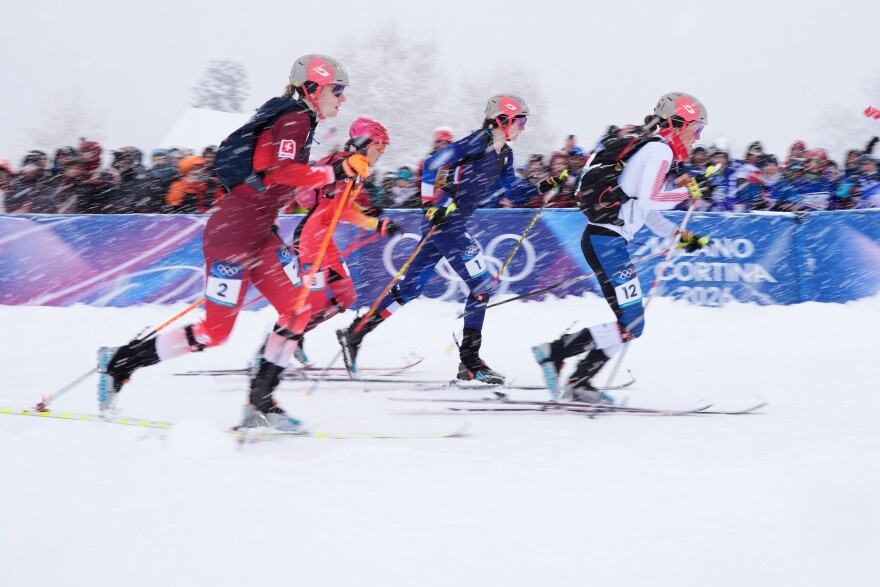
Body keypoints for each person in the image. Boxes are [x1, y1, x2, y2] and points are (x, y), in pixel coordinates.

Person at [96, 54, 351, 433]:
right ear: (313, 87)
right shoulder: (296, 117)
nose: (342, 98)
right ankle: (120, 361)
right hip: (232, 237)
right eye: (338, 89)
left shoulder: (300, 120)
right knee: (215, 332)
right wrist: (333, 171)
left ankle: (261, 403)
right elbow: (282, 171)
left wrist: (335, 172)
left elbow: (285, 177)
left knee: (299, 310)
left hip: (260, 234)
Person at [335, 94, 567, 384]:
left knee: (410, 289)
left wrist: (545, 184)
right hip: (446, 221)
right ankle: (470, 362)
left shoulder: (505, 154)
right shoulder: (476, 142)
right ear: (503, 120)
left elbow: (514, 192)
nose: (523, 127)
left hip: (452, 223)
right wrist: (431, 205)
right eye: (520, 120)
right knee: (481, 286)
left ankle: (355, 333)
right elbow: (433, 163)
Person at [531, 92, 712, 403]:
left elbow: (648, 213)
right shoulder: (659, 152)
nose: (697, 138)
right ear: (678, 124)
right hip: (607, 241)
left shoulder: (653, 150)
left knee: (630, 323)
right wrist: (688, 193)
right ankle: (560, 359)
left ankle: (576, 375)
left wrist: (681, 236)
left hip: (605, 240)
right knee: (632, 323)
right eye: (696, 129)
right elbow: (650, 199)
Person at [255, 117, 399, 379]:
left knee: (346, 297)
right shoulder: (346, 163)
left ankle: (294, 336)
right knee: (308, 304)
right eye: (381, 146)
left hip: (325, 242)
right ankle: (269, 349)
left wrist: (371, 214)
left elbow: (343, 205)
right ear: (366, 143)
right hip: (311, 243)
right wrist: (375, 224)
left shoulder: (357, 167)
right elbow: (340, 209)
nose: (382, 152)